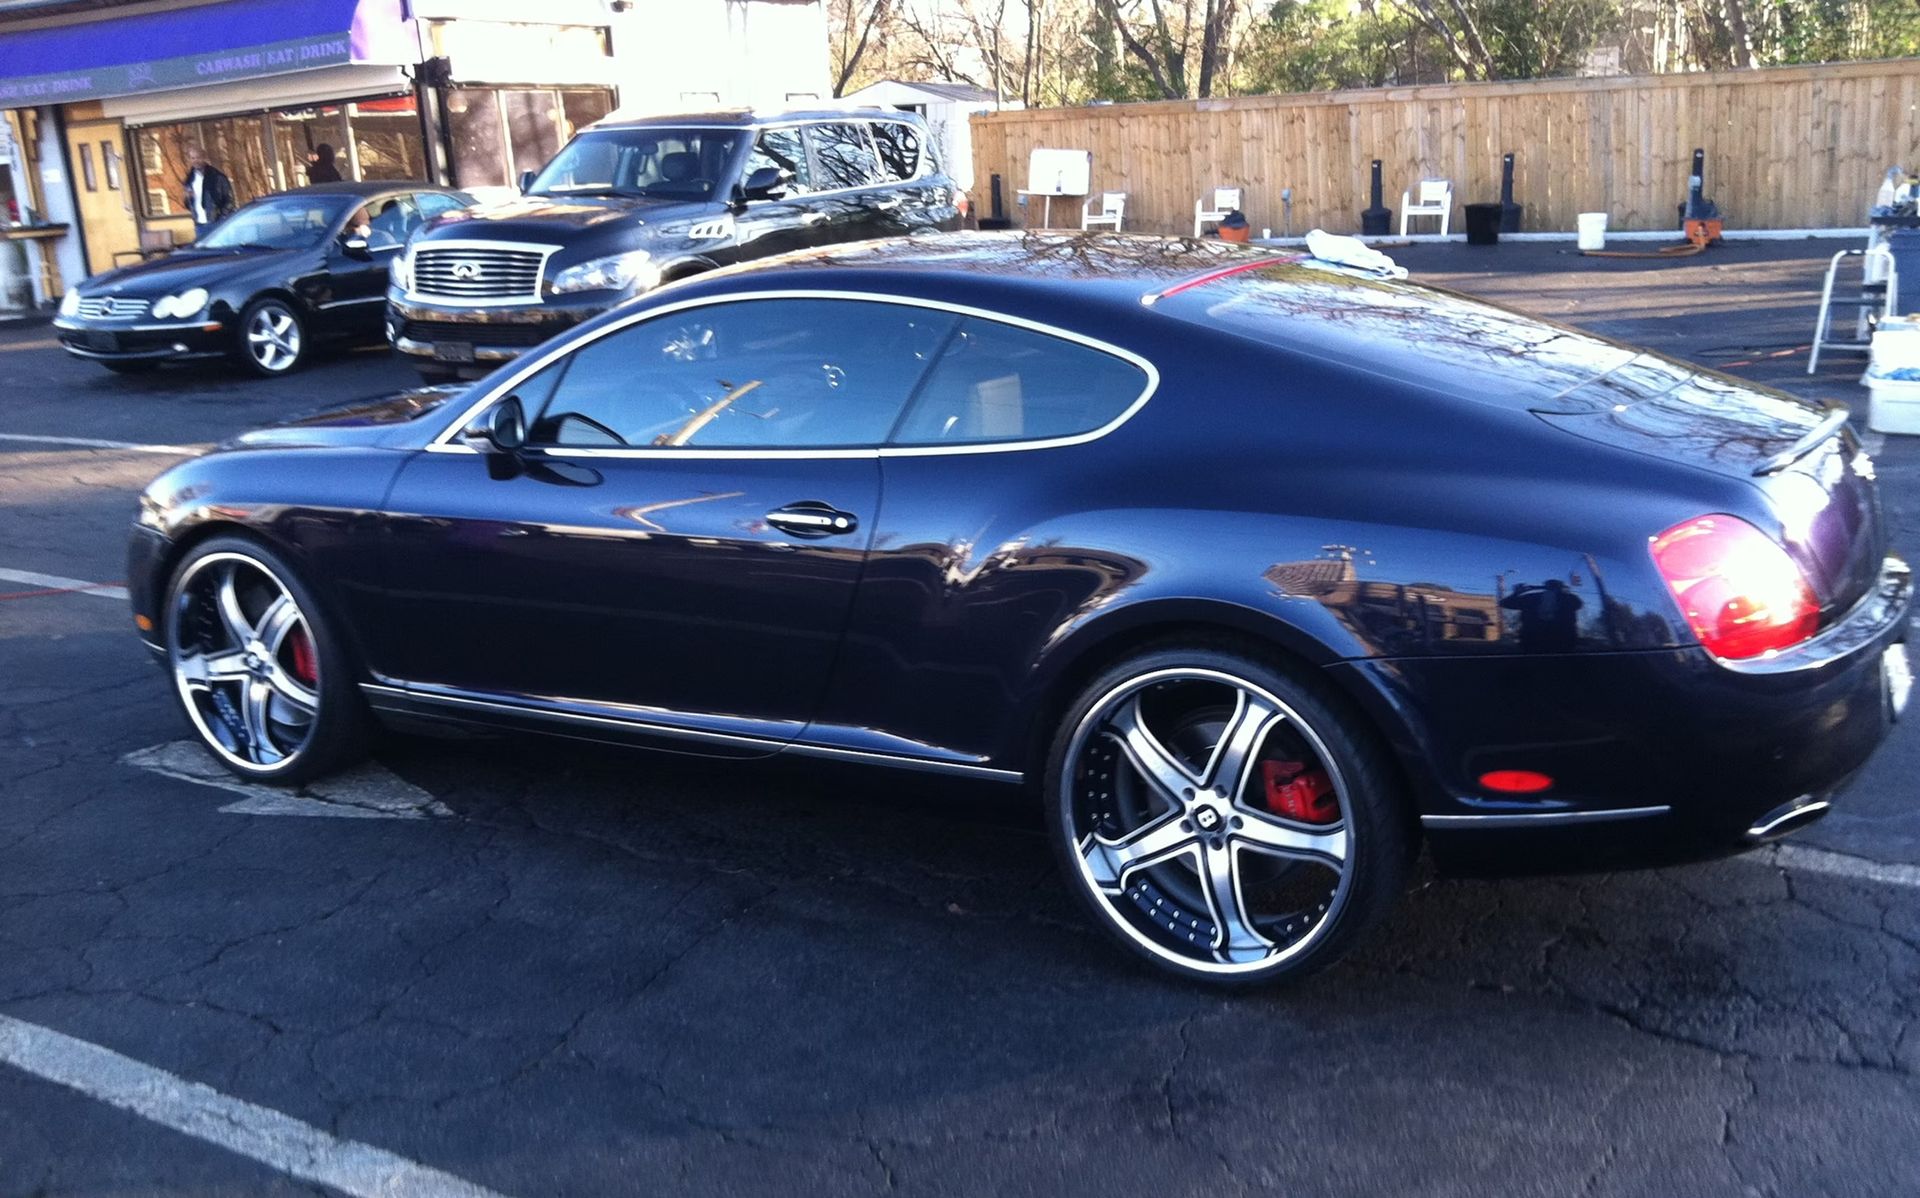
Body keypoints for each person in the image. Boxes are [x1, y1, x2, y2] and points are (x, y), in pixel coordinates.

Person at [181, 146, 235, 241]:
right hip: (199, 225)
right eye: (193, 158)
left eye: (198, 157)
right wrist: (187, 198)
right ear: (189, 159)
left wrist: (222, 218)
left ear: (204, 158)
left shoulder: (217, 177)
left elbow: (229, 200)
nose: (196, 160)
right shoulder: (189, 180)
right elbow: (188, 205)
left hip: (216, 223)